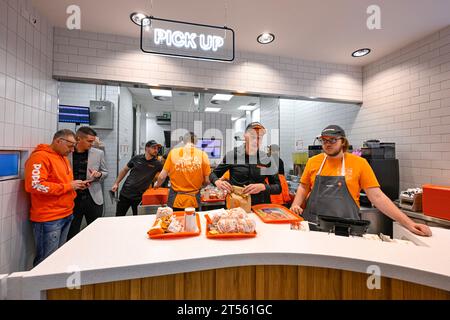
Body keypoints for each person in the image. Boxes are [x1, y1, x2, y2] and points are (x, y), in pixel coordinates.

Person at [290, 125, 432, 236]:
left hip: (346, 228)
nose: (328, 144)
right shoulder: (313, 162)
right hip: (314, 226)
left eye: (333, 140)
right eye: (324, 140)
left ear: (343, 142)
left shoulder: (359, 163)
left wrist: (408, 223)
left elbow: (377, 196)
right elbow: (303, 187)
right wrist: (295, 206)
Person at [24, 129, 89, 266]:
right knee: (46, 261)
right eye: (70, 146)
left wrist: (76, 185)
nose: (72, 150)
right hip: (49, 217)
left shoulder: (63, 158)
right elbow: (34, 185)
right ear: (58, 141)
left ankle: (52, 287)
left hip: (66, 213)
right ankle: (41, 287)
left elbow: (63, 183)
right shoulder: (40, 157)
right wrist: (68, 186)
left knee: (57, 258)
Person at [210, 122, 281, 205]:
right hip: (236, 205)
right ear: (245, 136)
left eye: (259, 138)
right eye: (253, 137)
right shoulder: (232, 155)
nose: (256, 141)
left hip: (259, 206)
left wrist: (263, 186)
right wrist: (218, 182)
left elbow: (278, 187)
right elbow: (213, 174)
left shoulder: (266, 159)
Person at [67, 127, 108, 240]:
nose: (92, 144)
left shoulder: (98, 153)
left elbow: (105, 172)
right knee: (72, 233)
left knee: (95, 232)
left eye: (93, 141)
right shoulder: (67, 153)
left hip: (93, 198)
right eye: (89, 141)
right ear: (78, 139)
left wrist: (98, 175)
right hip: (72, 198)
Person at [154, 132, 211, 211]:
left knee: (175, 222)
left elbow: (162, 176)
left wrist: (157, 185)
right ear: (196, 142)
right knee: (192, 222)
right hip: (194, 200)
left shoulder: (173, 153)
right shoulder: (203, 155)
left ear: (183, 141)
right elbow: (207, 181)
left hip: (175, 200)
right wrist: (201, 186)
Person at [112, 140, 163, 216]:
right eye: (154, 148)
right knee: (119, 216)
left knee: (138, 219)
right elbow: (124, 170)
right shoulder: (136, 158)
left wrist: (158, 183)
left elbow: (164, 175)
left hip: (140, 197)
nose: (156, 150)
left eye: (157, 148)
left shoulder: (157, 164)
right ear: (147, 148)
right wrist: (116, 183)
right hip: (125, 193)